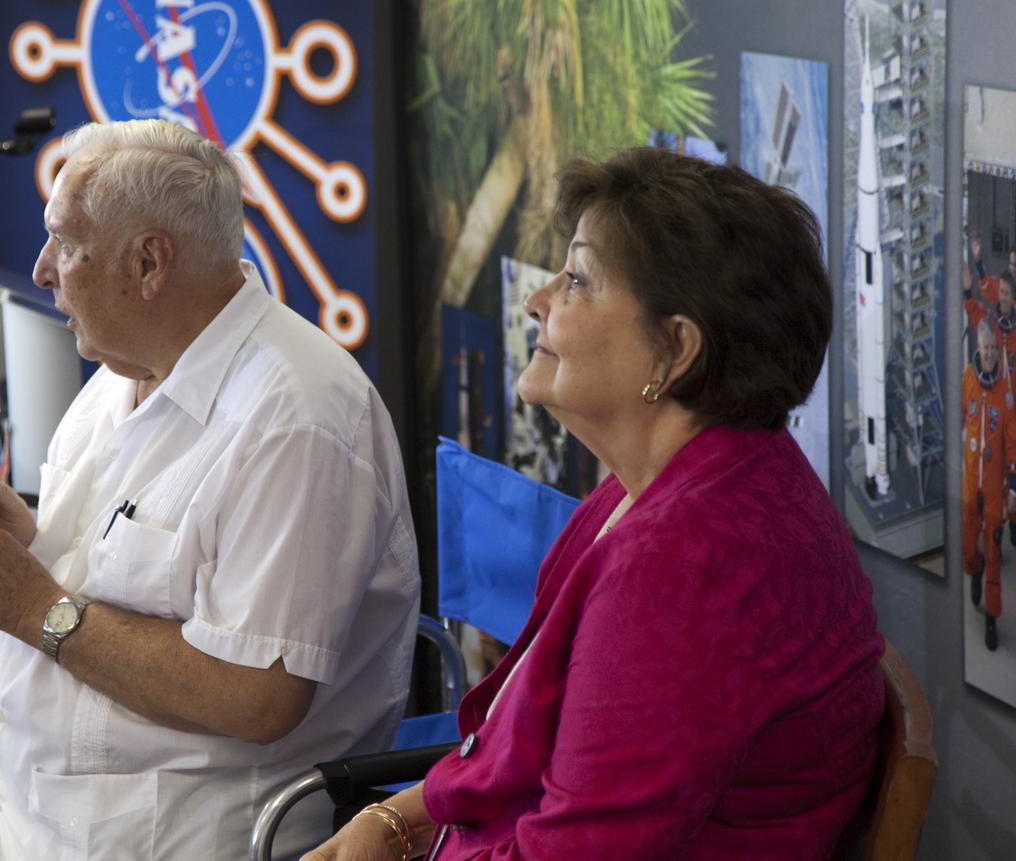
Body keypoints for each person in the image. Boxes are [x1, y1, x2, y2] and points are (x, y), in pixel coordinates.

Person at [303, 148, 884, 860]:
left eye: (577, 279)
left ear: (673, 350)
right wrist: (391, 821)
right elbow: (517, 754)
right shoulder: (679, 483)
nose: (537, 300)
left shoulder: (684, 568)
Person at [0, 119, 420, 859]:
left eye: (65, 244)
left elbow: (257, 698)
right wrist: (29, 541)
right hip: (11, 801)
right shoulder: (125, 368)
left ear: (148, 262)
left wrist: (28, 602)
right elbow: (123, 579)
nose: (42, 269)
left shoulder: (297, 421)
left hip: (153, 835)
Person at [962, 317, 1012, 652]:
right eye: (985, 347)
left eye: (993, 348)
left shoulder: (1005, 394)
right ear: (978, 348)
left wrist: (1014, 490)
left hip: (993, 489)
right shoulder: (968, 378)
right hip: (970, 486)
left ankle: (992, 617)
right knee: (969, 548)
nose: (990, 353)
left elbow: (1012, 442)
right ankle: (973, 569)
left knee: (994, 555)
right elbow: (960, 416)